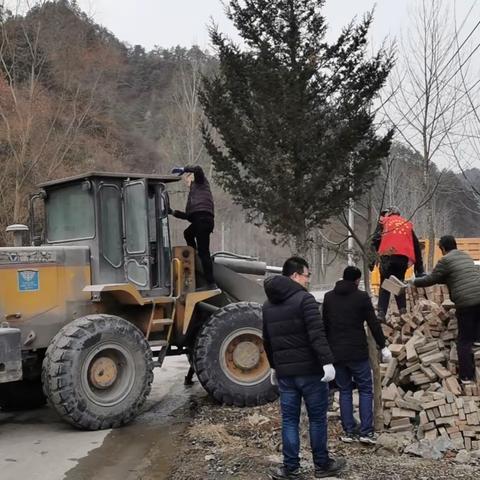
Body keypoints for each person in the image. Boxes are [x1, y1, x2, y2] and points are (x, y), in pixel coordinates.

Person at [262, 257, 346, 479]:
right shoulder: (305, 300)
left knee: (289, 419)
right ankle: (322, 465)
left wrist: (273, 367)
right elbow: (317, 334)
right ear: (295, 276)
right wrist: (327, 362)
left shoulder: (268, 305)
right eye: (307, 275)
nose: (308, 280)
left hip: (286, 375)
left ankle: (291, 468)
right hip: (311, 374)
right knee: (317, 418)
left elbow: (267, 340)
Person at [322, 266, 392, 445]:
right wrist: (383, 345)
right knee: (365, 389)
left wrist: (326, 353)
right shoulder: (361, 297)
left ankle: (349, 431)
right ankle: (366, 432)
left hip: (336, 353)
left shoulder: (329, 298)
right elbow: (373, 323)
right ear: (357, 280)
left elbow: (324, 325)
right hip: (357, 352)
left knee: (345, 390)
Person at [409, 235, 480, 384]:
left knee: (464, 341)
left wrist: (414, 282)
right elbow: (451, 276)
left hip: (465, 302)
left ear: (442, 248)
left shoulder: (445, 260)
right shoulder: (465, 256)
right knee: (476, 338)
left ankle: (466, 377)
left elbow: (431, 279)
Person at [371, 206, 424, 319]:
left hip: (387, 256)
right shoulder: (406, 223)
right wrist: (419, 269)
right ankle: (402, 310)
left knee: (385, 284)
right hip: (402, 258)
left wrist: (372, 262)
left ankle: (381, 313)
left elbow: (374, 240)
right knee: (398, 282)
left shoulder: (384, 222)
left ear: (389, 214)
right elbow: (416, 246)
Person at [170, 165, 216, 289]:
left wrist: (185, 169)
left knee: (204, 252)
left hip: (204, 220)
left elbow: (198, 168)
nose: (186, 181)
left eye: (187, 178)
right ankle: (193, 253)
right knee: (188, 233)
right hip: (199, 220)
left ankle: (211, 283)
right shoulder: (193, 193)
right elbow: (189, 217)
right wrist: (173, 212)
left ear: (192, 176)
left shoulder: (201, 183)